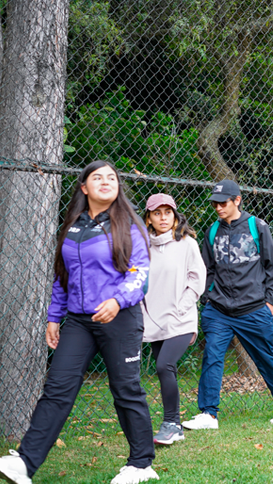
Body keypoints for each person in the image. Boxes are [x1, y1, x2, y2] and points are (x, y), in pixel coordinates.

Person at [0, 161, 158, 484]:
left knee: (126, 390)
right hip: (79, 322)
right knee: (57, 388)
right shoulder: (74, 225)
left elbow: (140, 273)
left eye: (111, 177)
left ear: (118, 186)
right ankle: (25, 463)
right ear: (84, 188)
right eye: (97, 177)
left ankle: (141, 464)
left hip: (120, 317)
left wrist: (117, 301)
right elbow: (63, 277)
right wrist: (54, 316)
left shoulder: (129, 224)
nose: (105, 182)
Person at [182, 180, 273, 430]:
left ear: (237, 200)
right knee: (212, 357)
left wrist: (270, 303)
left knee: (265, 357)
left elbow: (272, 268)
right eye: (215, 203)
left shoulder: (257, 227)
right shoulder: (212, 231)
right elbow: (207, 269)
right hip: (219, 310)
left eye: (223, 203)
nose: (218, 208)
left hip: (254, 309)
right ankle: (209, 414)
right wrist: (209, 298)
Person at [142, 194, 206, 445]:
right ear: (149, 217)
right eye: (157, 213)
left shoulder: (187, 243)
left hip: (181, 318)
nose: (163, 217)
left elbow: (197, 279)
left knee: (163, 366)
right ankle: (175, 426)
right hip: (154, 319)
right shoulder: (142, 245)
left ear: (175, 215)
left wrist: (183, 307)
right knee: (165, 369)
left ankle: (170, 423)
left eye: (168, 212)